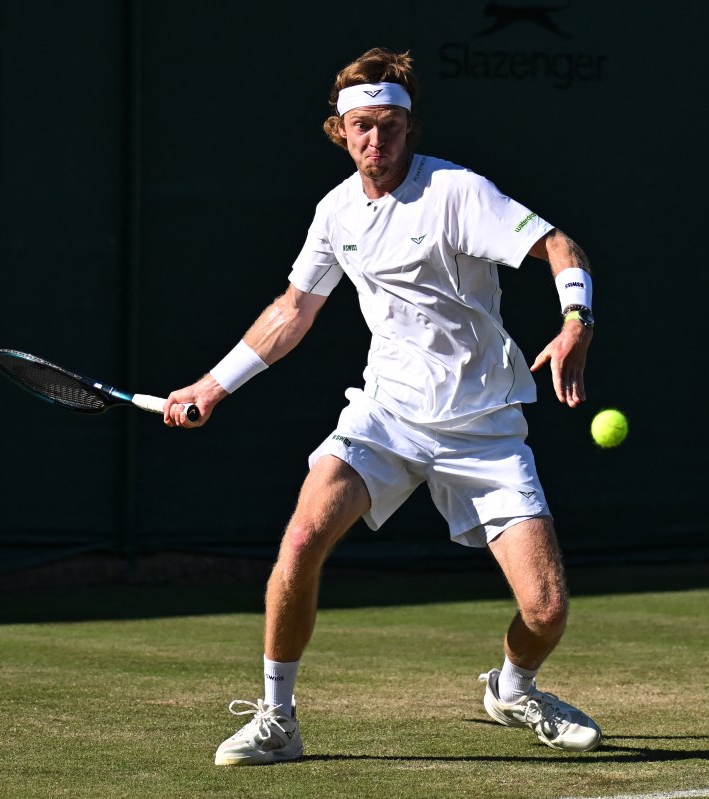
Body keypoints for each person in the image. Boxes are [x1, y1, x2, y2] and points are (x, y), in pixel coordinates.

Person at [163, 48, 602, 764]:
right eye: (363, 126)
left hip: (483, 427)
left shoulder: (457, 192)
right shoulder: (334, 212)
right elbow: (293, 309)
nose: (378, 140)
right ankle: (278, 718)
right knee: (301, 539)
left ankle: (513, 687)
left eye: (392, 125)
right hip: (385, 415)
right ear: (340, 131)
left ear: (410, 126)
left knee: (546, 610)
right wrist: (212, 385)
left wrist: (576, 319)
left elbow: (557, 243)